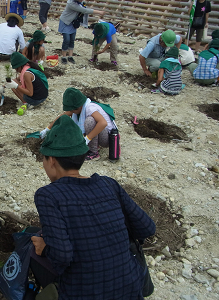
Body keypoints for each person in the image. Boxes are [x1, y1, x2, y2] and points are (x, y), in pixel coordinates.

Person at [29, 114, 156, 299]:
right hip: (130, 288)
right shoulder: (108, 184)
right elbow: (147, 227)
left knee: (31, 245)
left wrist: (45, 248)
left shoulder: (48, 195)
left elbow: (62, 256)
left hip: (84, 292)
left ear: (52, 161)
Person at [40, 87, 114, 161]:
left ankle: (94, 152)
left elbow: (103, 123)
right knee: (85, 123)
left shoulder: (90, 108)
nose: (71, 112)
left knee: (89, 121)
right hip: (100, 135)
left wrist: (87, 138)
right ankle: (93, 144)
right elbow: (63, 116)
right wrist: (48, 129)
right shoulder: (79, 108)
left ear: (78, 107)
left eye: (72, 110)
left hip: (107, 138)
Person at [58, 0, 104, 64]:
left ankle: (70, 56)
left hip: (73, 23)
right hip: (66, 22)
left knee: (72, 39)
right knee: (66, 40)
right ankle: (64, 57)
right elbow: (85, 10)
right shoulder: (71, 4)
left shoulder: (80, 3)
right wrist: (99, 12)